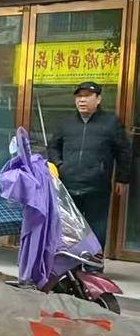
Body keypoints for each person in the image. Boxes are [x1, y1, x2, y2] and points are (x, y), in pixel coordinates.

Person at [47, 81, 131, 248]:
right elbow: (53, 146)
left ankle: (94, 262)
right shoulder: (66, 123)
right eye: (79, 96)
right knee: (69, 229)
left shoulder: (110, 122)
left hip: (97, 185)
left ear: (98, 99)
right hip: (68, 184)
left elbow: (124, 151)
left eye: (87, 96)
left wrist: (122, 179)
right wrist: (60, 165)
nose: (82, 100)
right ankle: (70, 261)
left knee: (96, 229)